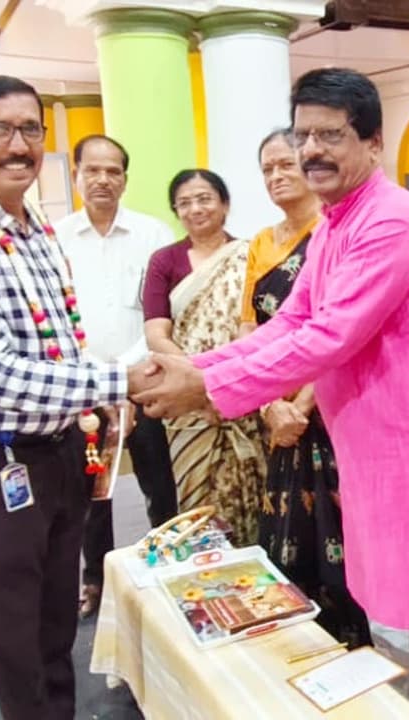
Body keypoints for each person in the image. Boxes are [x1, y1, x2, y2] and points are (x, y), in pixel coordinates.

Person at [133, 67, 409, 720]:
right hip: (370, 453)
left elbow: (331, 335)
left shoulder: (393, 220)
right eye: (303, 134)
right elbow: (291, 322)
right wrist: (198, 368)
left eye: (330, 135)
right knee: (388, 610)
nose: (311, 150)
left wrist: (209, 387)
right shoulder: (336, 223)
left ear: (373, 141)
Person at [0, 75, 150, 720]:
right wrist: (120, 381)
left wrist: (94, 398)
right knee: (11, 636)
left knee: (54, 625)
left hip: (57, 449)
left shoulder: (35, 226)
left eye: (30, 130)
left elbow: (57, 343)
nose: (18, 145)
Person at [240, 128, 368, 646]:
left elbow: (343, 333)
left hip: (335, 408)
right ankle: (295, 641)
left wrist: (301, 404)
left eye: (285, 165)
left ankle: (353, 639)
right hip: (279, 411)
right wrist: (271, 403)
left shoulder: (336, 234)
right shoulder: (261, 243)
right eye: (267, 169)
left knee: (343, 529)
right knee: (286, 528)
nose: (276, 176)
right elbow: (250, 328)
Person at [54, 133, 177, 619]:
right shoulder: (55, 238)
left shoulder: (153, 235)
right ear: (77, 175)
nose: (103, 179)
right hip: (84, 388)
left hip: (145, 381)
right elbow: (55, 320)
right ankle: (96, 581)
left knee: (159, 483)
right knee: (92, 493)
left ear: (125, 179)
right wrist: (99, 380)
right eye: (93, 170)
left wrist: (127, 377)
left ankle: (168, 570)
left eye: (113, 171)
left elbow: (162, 313)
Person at [142, 168, 264, 547]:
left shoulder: (252, 254)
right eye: (185, 203)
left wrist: (225, 383)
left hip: (242, 390)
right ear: (176, 212)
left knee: (254, 495)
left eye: (205, 199)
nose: (196, 209)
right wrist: (200, 382)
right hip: (186, 399)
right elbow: (156, 333)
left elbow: (258, 325)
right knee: (195, 499)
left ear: (224, 204)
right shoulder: (164, 261)